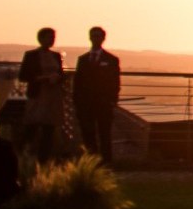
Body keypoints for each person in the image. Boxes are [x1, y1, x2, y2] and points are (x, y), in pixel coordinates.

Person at [73, 26, 122, 164]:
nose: (96, 39)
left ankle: (106, 163)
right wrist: (77, 101)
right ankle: (91, 162)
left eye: (98, 36)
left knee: (104, 135)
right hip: (86, 104)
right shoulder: (82, 60)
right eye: (93, 36)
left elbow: (115, 82)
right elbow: (78, 82)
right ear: (90, 38)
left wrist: (112, 100)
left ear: (103, 38)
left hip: (104, 104)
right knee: (88, 135)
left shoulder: (112, 60)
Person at [16, 28, 65, 160]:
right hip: (38, 95)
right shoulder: (31, 55)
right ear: (41, 38)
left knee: (49, 130)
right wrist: (42, 78)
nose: (52, 40)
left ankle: (44, 159)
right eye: (49, 37)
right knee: (31, 127)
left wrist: (57, 77)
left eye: (53, 37)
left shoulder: (56, 56)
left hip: (53, 96)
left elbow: (61, 74)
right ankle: (21, 155)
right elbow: (23, 75)